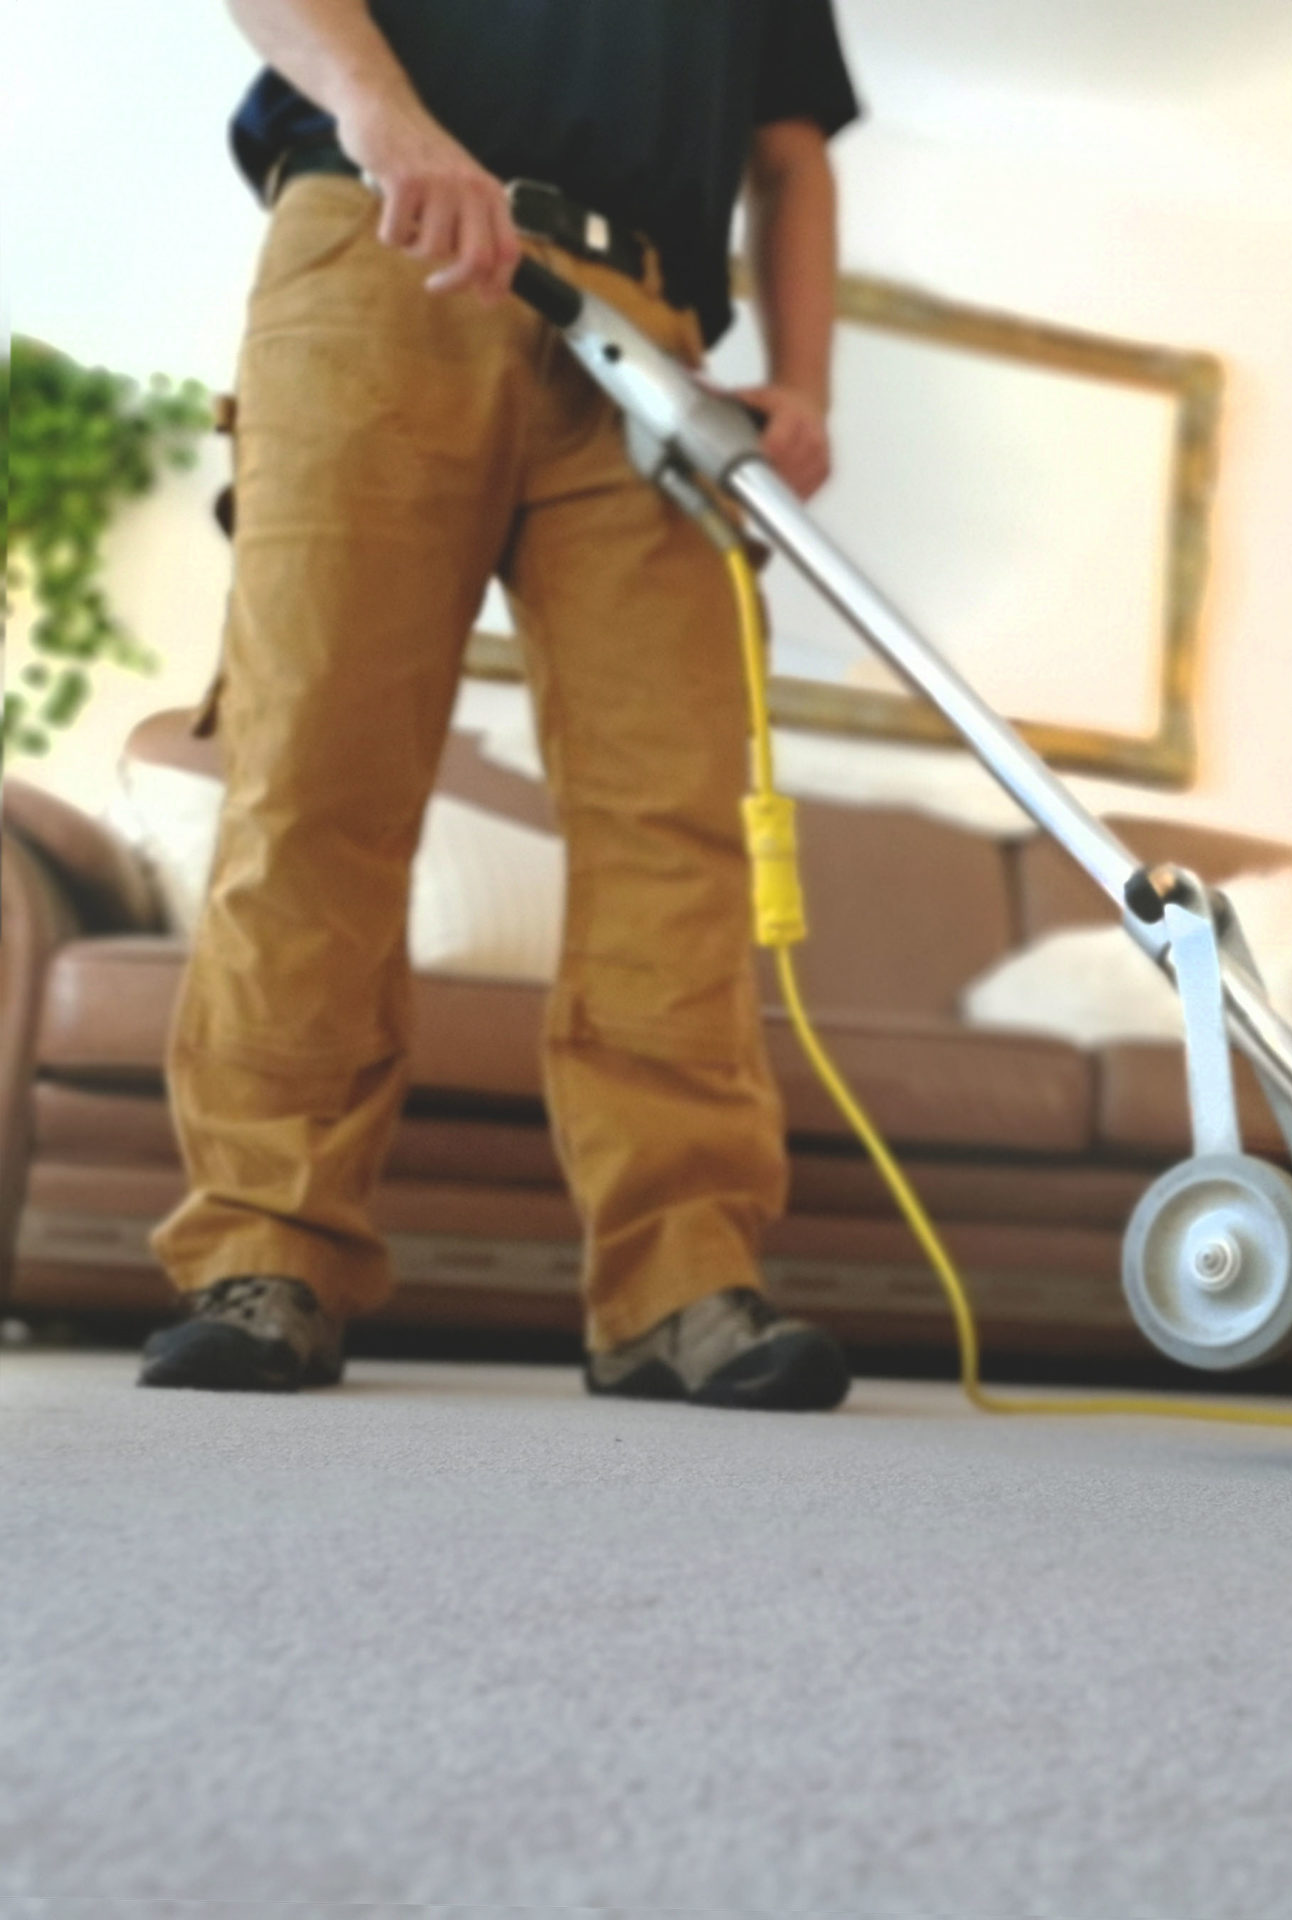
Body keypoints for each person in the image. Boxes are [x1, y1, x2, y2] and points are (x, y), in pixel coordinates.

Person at [138, 0, 860, 1411]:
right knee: (320, 779)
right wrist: (386, 113)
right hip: (384, 243)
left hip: (648, 338)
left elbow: (793, 155)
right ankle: (265, 1249)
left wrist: (808, 383)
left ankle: (678, 1282)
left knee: (679, 825)